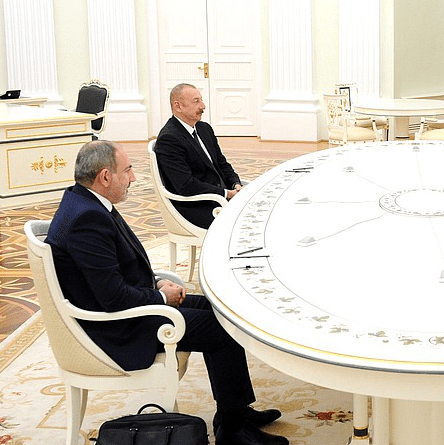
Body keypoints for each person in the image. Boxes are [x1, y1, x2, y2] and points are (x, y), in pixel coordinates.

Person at [46, 140, 287, 445]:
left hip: (127, 307)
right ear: (105, 177)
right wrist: (161, 298)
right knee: (222, 330)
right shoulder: (87, 219)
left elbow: (116, 274)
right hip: (119, 327)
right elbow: (113, 298)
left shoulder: (84, 202)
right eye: (128, 170)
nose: (134, 177)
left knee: (221, 309)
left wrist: (157, 283)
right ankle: (233, 430)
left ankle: (236, 410)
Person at [155, 83, 242, 229]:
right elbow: (186, 185)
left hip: (219, 198)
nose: (203, 106)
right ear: (178, 106)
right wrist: (226, 194)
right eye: (196, 101)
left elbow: (222, 164)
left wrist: (236, 184)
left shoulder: (204, 129)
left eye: (201, 100)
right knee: (246, 223)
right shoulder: (169, 138)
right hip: (197, 206)